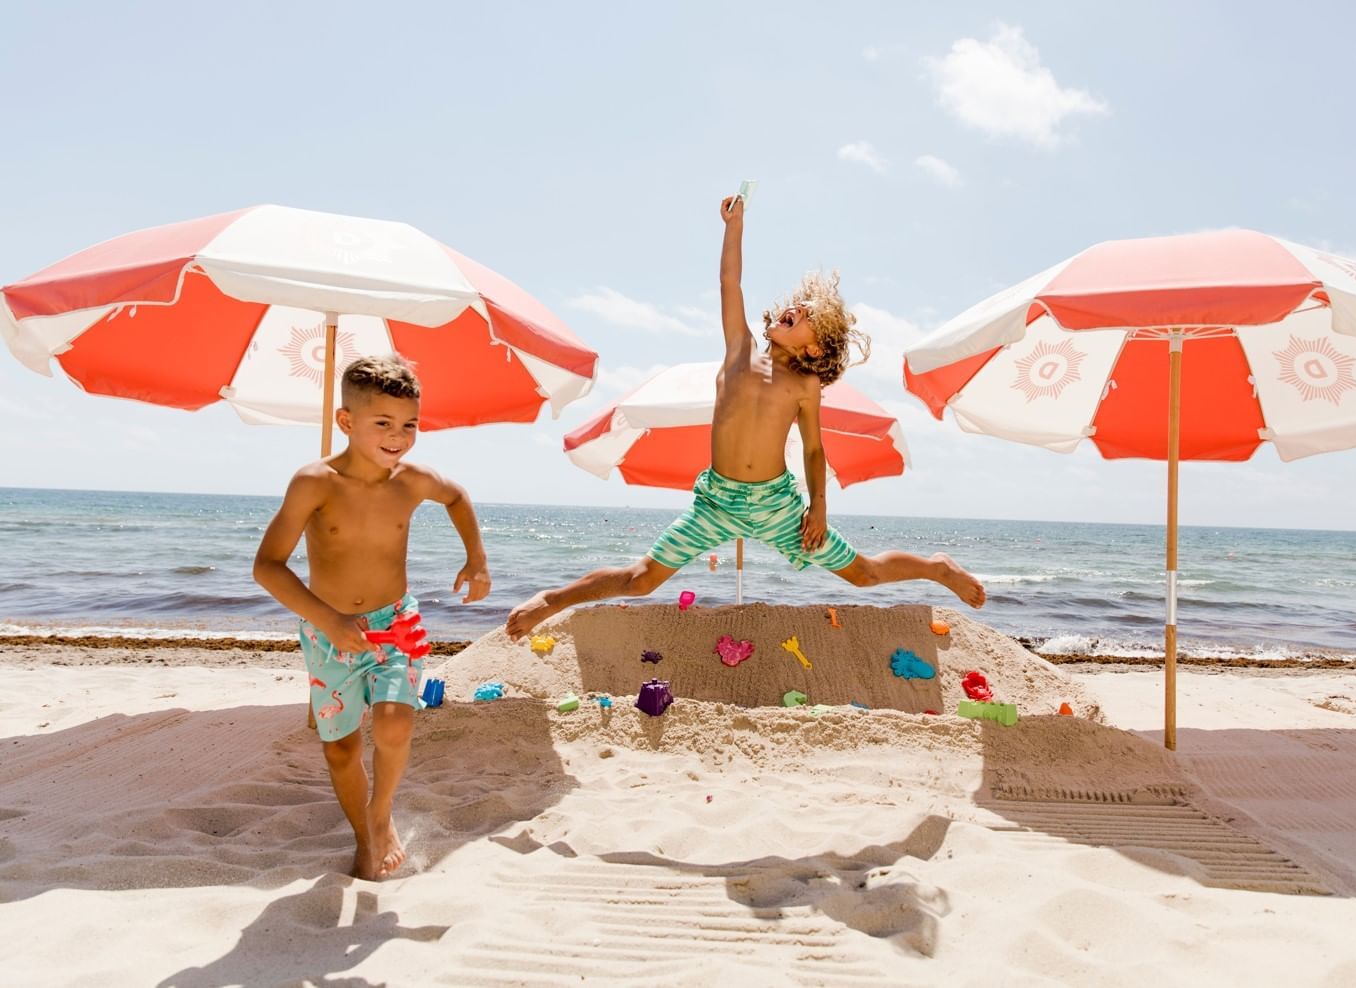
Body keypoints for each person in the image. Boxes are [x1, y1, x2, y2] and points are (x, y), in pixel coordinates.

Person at [506, 194, 985, 639]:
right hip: (717, 501)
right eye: (796, 305)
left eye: (807, 313)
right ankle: (552, 600)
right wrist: (734, 227)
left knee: (863, 574)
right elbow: (729, 282)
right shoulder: (740, 352)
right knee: (641, 579)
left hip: (777, 506)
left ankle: (937, 567)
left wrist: (818, 507)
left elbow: (815, 449)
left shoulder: (805, 386)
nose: (793, 307)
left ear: (815, 346)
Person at [254, 354, 491, 880]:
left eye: (409, 425)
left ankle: (381, 817)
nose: (398, 436)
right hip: (327, 629)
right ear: (346, 422)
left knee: (394, 722)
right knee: (340, 751)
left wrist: (476, 557)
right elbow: (267, 567)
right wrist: (329, 621)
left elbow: (457, 497)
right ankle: (365, 835)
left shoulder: (413, 481)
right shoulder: (314, 483)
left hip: (395, 622)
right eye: (382, 423)